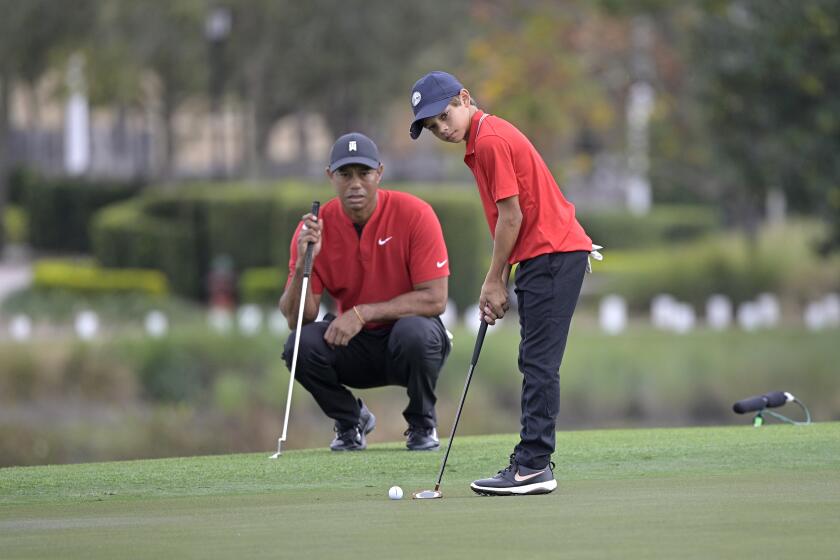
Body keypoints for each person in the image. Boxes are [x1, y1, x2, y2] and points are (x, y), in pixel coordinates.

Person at [409, 71, 595, 495]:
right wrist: (503, 276)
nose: (441, 128)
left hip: (552, 253)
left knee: (538, 364)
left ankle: (533, 466)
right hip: (546, 254)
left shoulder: (489, 141)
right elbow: (512, 218)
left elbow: (512, 217)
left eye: (443, 115)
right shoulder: (483, 139)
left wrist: (495, 281)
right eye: (431, 126)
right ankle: (533, 461)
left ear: (465, 98)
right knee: (535, 361)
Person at [279, 132, 451, 452]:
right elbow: (297, 318)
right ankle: (350, 421)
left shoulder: (415, 214)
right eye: (345, 174)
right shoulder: (315, 229)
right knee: (298, 345)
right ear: (331, 176)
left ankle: (422, 423)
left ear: (379, 174)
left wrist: (363, 312)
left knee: (417, 332)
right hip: (353, 346)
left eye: (364, 173)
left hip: (408, 341)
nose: (355, 183)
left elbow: (436, 299)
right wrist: (304, 260)